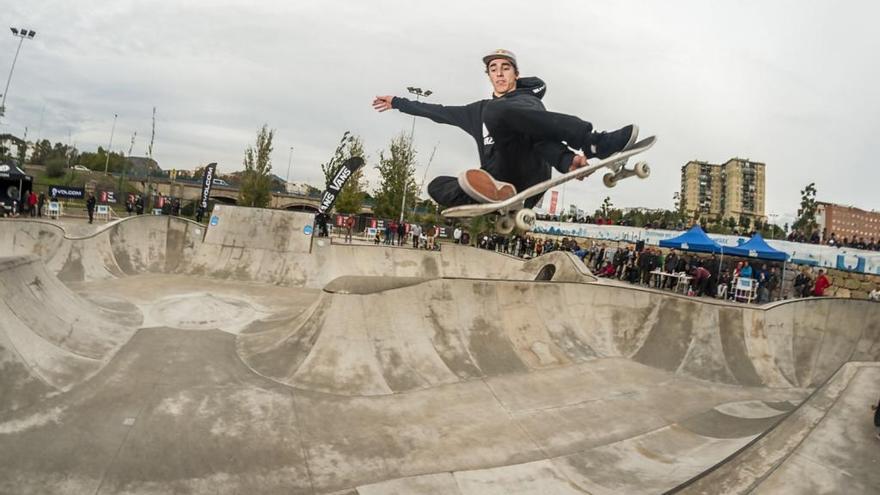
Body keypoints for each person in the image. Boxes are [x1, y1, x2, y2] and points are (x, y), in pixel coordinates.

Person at [372, 49, 639, 207]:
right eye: (493, 69)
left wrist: (566, 160)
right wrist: (397, 102)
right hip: (498, 181)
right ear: (488, 75)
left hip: (528, 175)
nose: (499, 74)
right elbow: (437, 112)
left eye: (505, 68)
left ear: (515, 75)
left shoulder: (528, 102)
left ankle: (593, 142)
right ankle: (490, 197)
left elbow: (540, 140)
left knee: (499, 111)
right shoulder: (476, 110)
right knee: (437, 186)